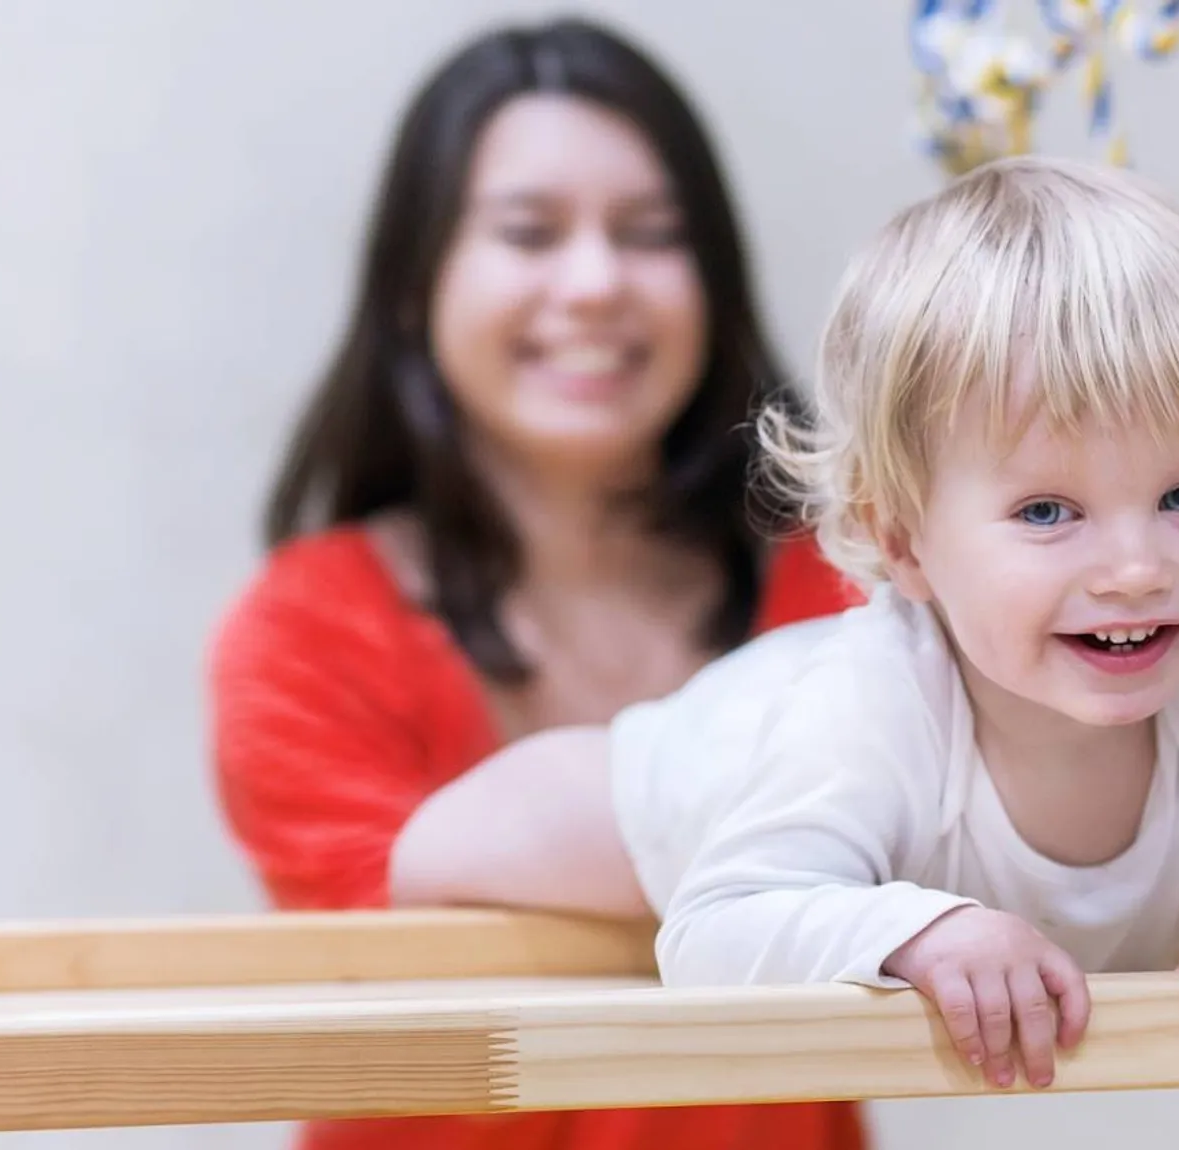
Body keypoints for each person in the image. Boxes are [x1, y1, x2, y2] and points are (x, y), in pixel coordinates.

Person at [394, 155, 1179, 1094]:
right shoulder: (870, 703)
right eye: (1048, 512)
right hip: (684, 775)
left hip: (816, 770)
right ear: (900, 543)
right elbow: (714, 927)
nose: (1137, 570)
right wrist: (919, 928)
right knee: (443, 852)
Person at [207, 15, 868, 1150]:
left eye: (653, 234)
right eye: (528, 232)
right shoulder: (305, 634)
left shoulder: (852, 589)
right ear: (414, 286)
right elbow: (399, 973)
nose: (596, 283)